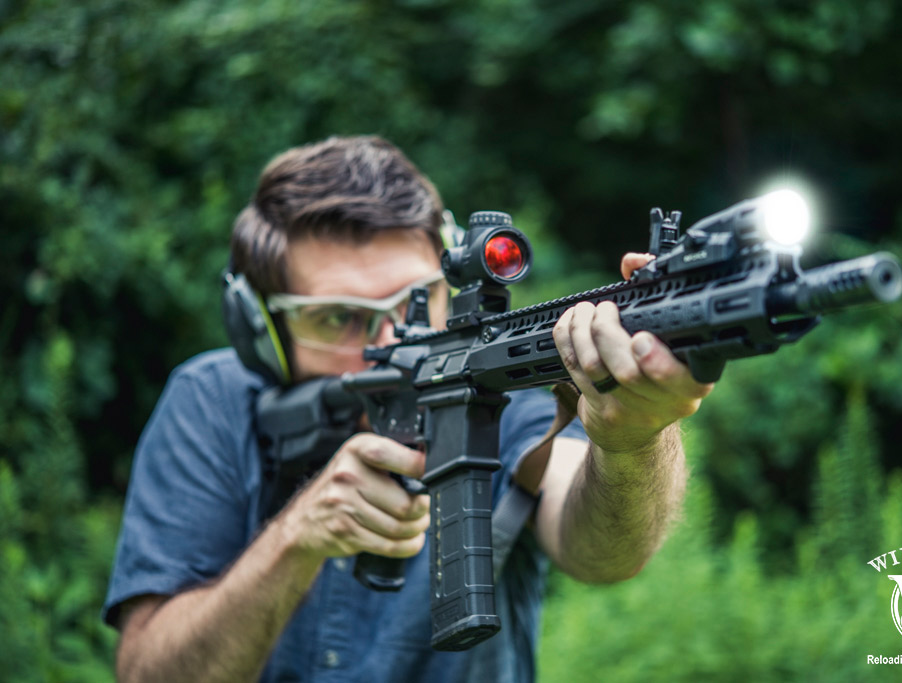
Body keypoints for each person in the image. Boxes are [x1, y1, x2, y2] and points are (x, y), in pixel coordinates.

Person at [103, 135, 714, 682]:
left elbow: (604, 552)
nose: (395, 339)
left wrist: (633, 438)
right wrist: (295, 540)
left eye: (417, 300)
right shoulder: (212, 402)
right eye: (339, 318)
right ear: (262, 330)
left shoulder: (501, 391)